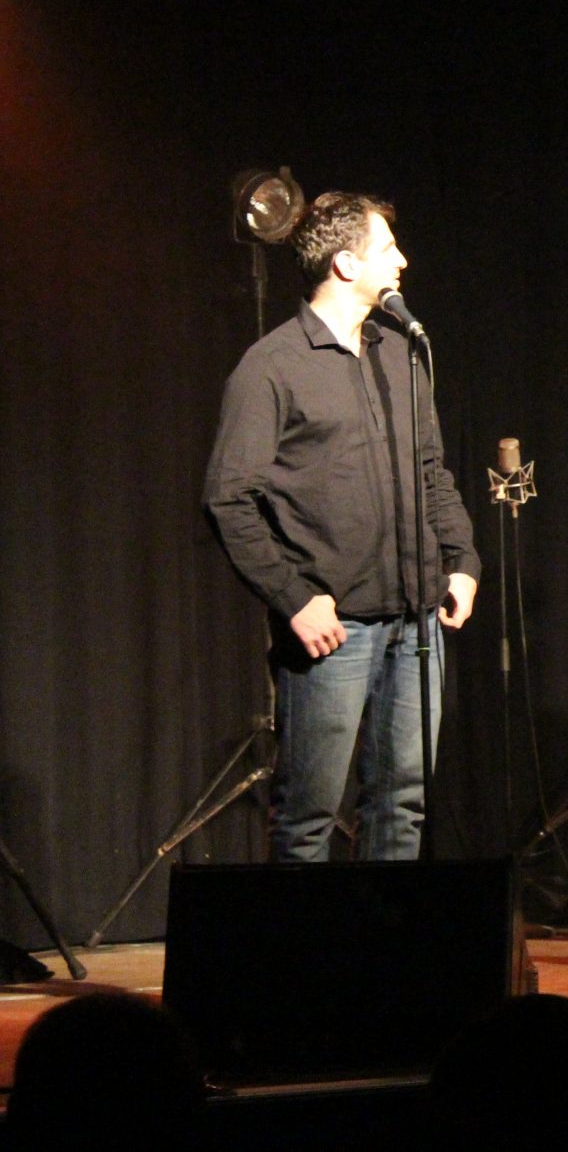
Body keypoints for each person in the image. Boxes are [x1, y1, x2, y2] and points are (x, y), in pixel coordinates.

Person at [203, 192, 478, 861]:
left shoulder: (400, 355)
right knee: (308, 815)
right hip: (335, 628)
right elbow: (228, 499)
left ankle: (383, 961)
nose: (404, 260)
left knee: (402, 803)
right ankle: (302, 967)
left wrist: (463, 559)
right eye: (389, 248)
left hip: (417, 621)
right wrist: (294, 597)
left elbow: (431, 471)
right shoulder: (272, 365)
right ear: (346, 263)